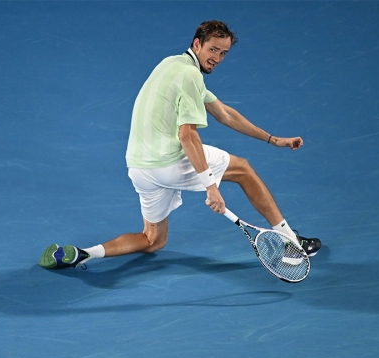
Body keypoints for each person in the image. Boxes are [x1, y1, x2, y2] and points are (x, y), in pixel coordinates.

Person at [39, 20, 321, 269]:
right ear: (197, 44)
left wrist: (272, 139)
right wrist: (211, 186)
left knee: (153, 240)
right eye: (213, 50)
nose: (217, 58)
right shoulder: (191, 75)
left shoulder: (172, 64)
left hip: (139, 167)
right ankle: (290, 242)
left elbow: (224, 113)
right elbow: (187, 136)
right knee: (243, 169)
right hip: (168, 163)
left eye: (223, 53)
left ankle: (83, 254)